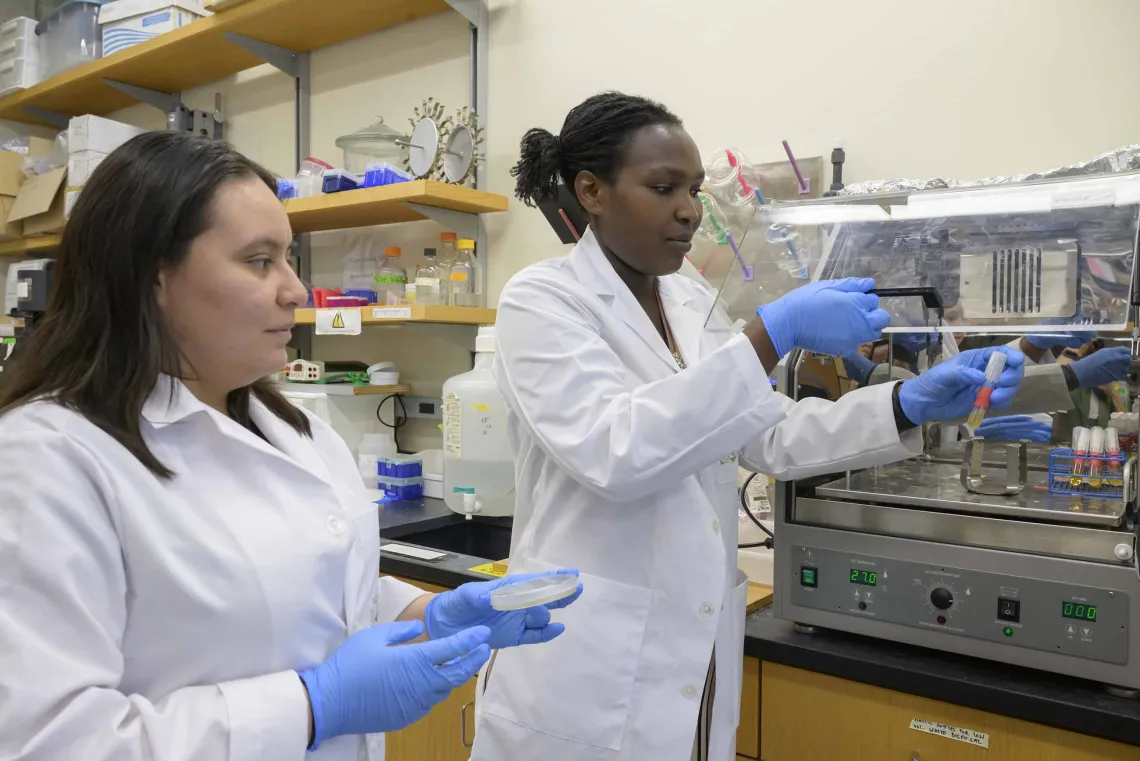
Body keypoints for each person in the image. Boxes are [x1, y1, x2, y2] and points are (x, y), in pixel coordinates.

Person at [470, 91, 1024, 761]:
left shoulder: (687, 295)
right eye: (663, 186)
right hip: (580, 677)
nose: (688, 209)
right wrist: (771, 331)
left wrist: (905, 405)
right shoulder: (541, 300)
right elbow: (616, 451)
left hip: (688, 660)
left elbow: (768, 433)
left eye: (695, 189)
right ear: (592, 190)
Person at [0, 133, 580, 761]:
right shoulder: (48, 460)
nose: (295, 290)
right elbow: (46, 741)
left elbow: (316, 583)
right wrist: (312, 703)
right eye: (258, 260)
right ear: (152, 276)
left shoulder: (297, 430)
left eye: (289, 258)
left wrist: (427, 614)